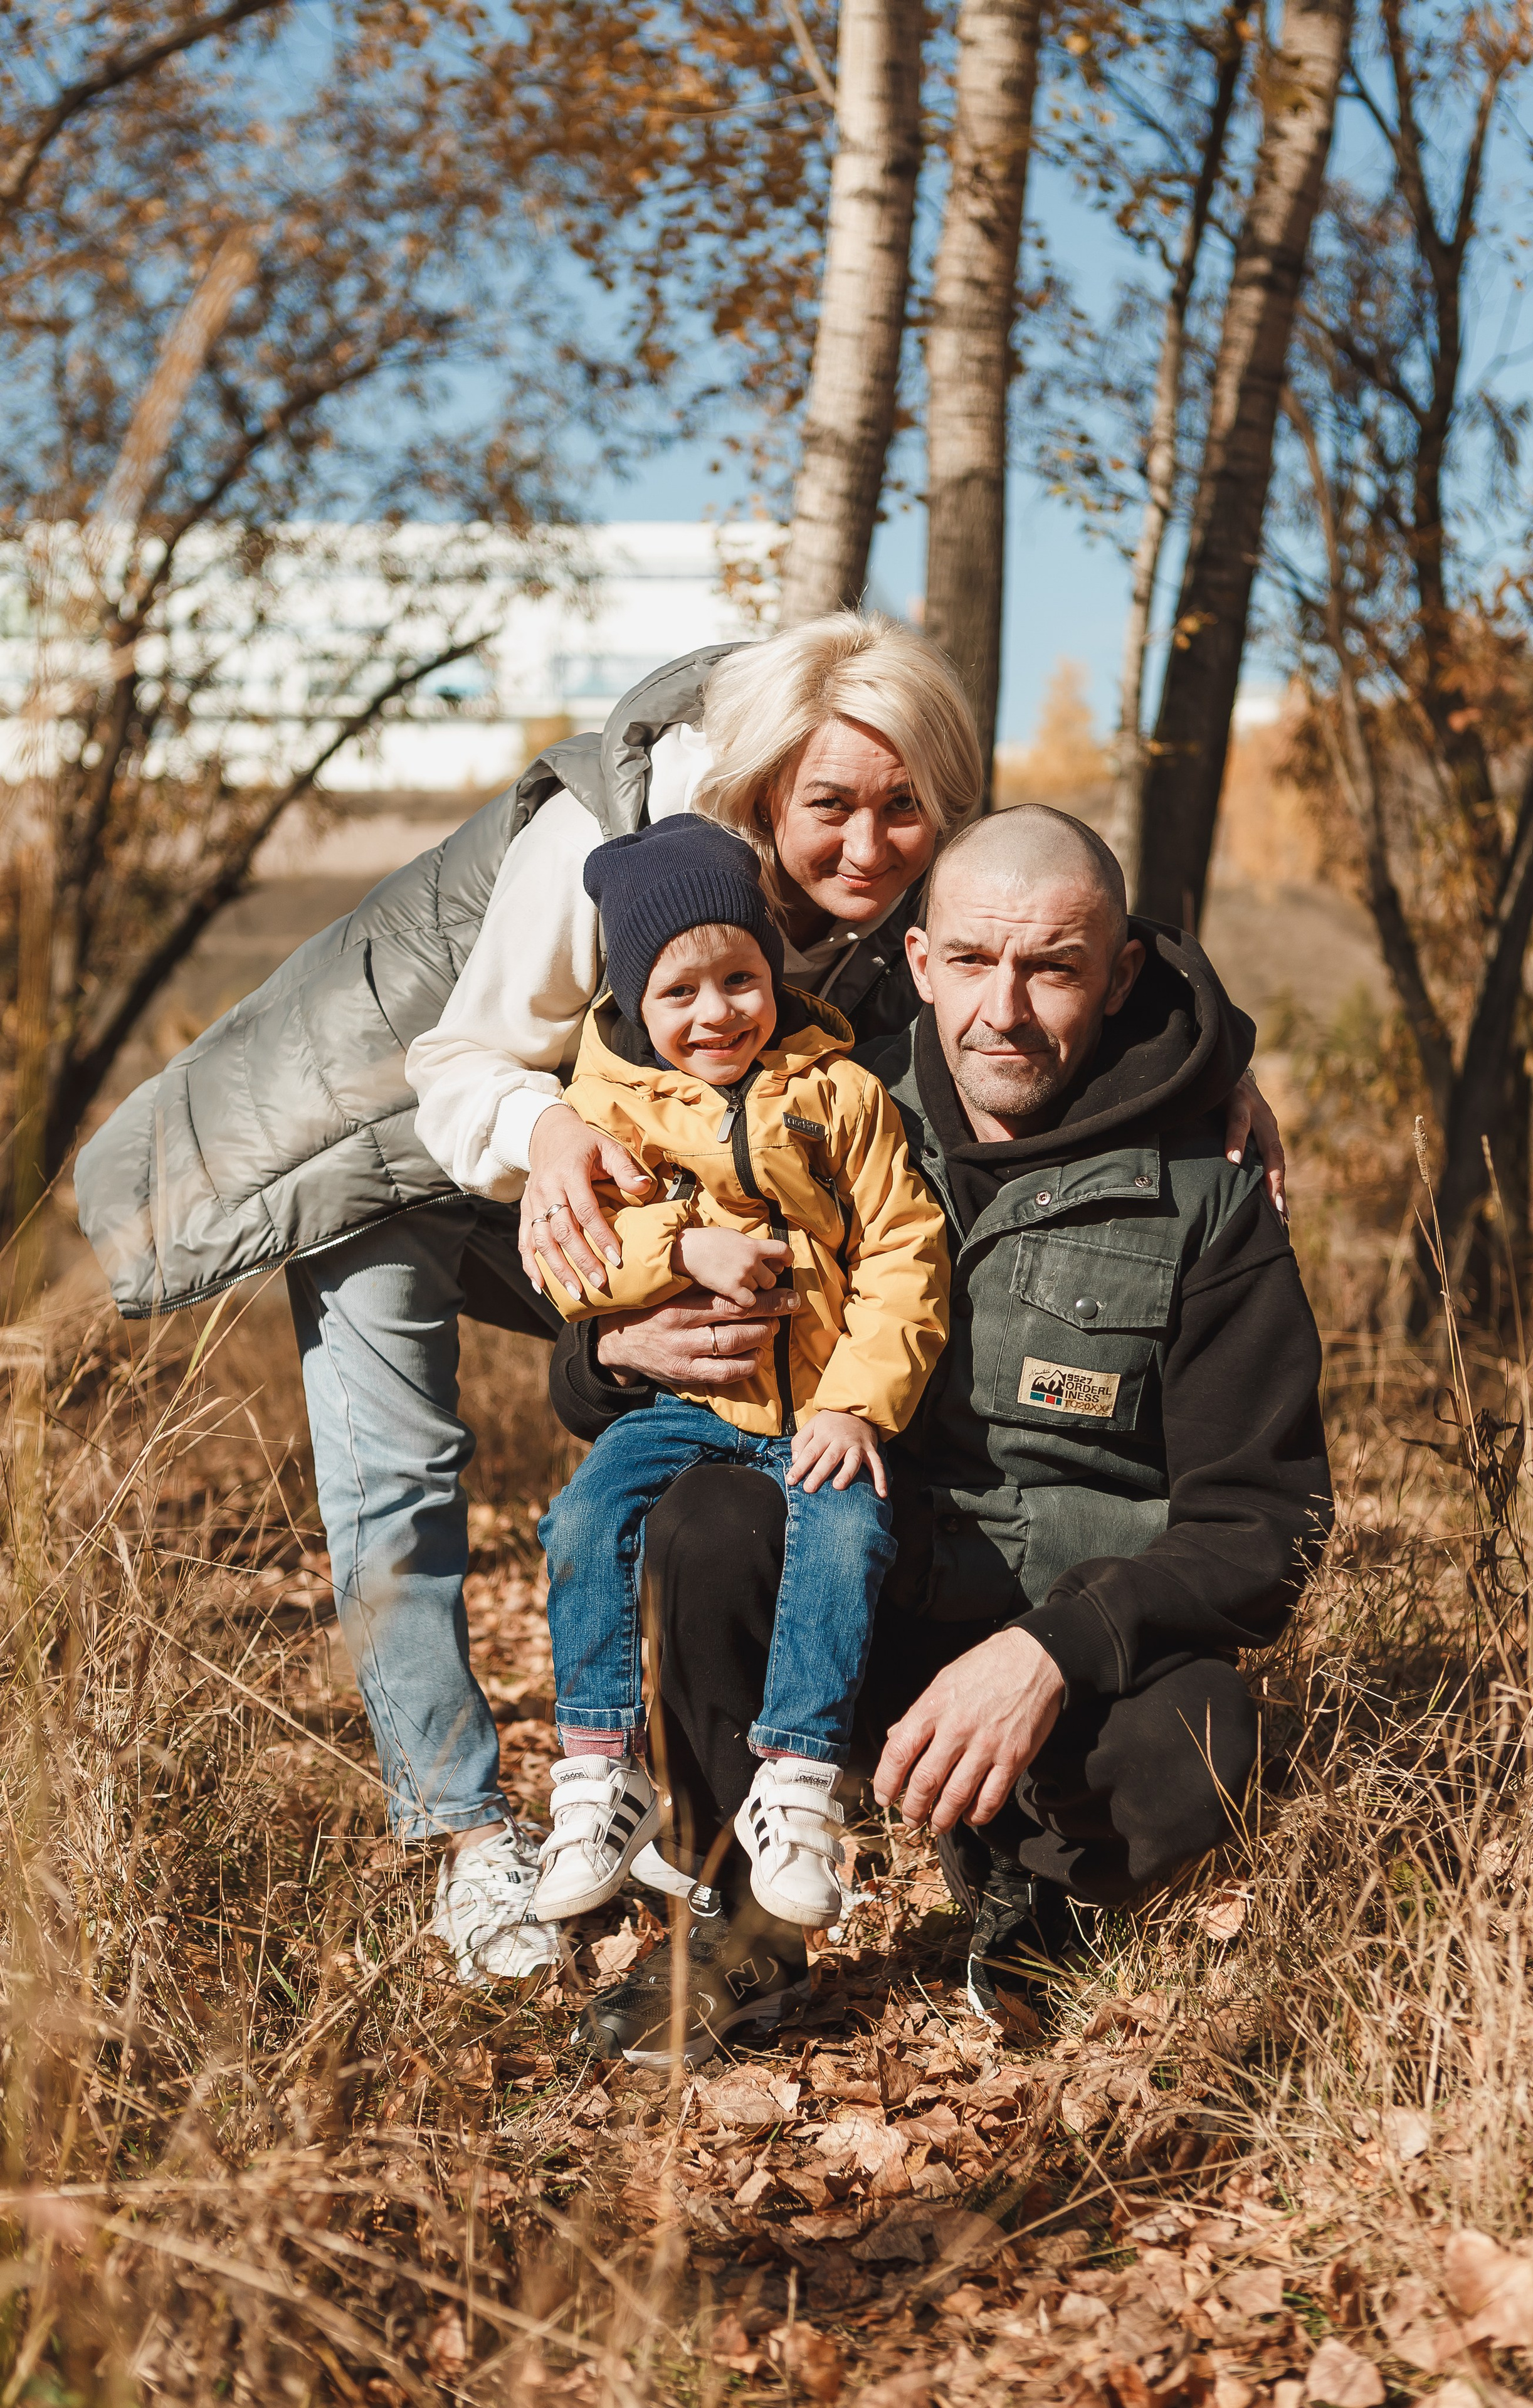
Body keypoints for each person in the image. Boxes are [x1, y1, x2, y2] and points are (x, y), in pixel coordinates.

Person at [75, 611, 1284, 1990]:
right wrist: (550, 1167)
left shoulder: (883, 835)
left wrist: (1212, 1058)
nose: (872, 848)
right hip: (406, 1146)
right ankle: (469, 1837)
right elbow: (459, 1059)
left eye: (909, 812)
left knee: (725, 1442)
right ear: (764, 788)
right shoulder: (600, 850)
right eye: (829, 807)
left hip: (645, 1182)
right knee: (400, 1474)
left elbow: (1047, 916)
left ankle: (725, 1786)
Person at [549, 805, 1332, 2064]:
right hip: (840, 1614)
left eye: (1053, 969)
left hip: (1055, 1649)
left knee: (1202, 1740)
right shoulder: (809, 1105)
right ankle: (736, 1922)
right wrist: (606, 1354)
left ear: (1119, 971)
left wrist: (1051, 1652)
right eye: (969, 962)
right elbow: (606, 1328)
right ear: (917, 961)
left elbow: (1265, 1526)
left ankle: (1035, 1894)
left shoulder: (1207, 1187)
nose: (1003, 1012)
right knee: (706, 1520)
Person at [525, 815, 947, 1927]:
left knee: (848, 1531)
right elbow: (568, 1268)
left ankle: (798, 1785)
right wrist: (679, 1249)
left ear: (772, 970)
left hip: (817, 1407)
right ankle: (600, 1770)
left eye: (741, 978)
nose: (717, 1013)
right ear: (632, 1004)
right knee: (584, 1517)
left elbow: (906, 1251)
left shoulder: (842, 1096)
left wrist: (860, 1405)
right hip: (682, 1405)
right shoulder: (605, 1113)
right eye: (680, 994)